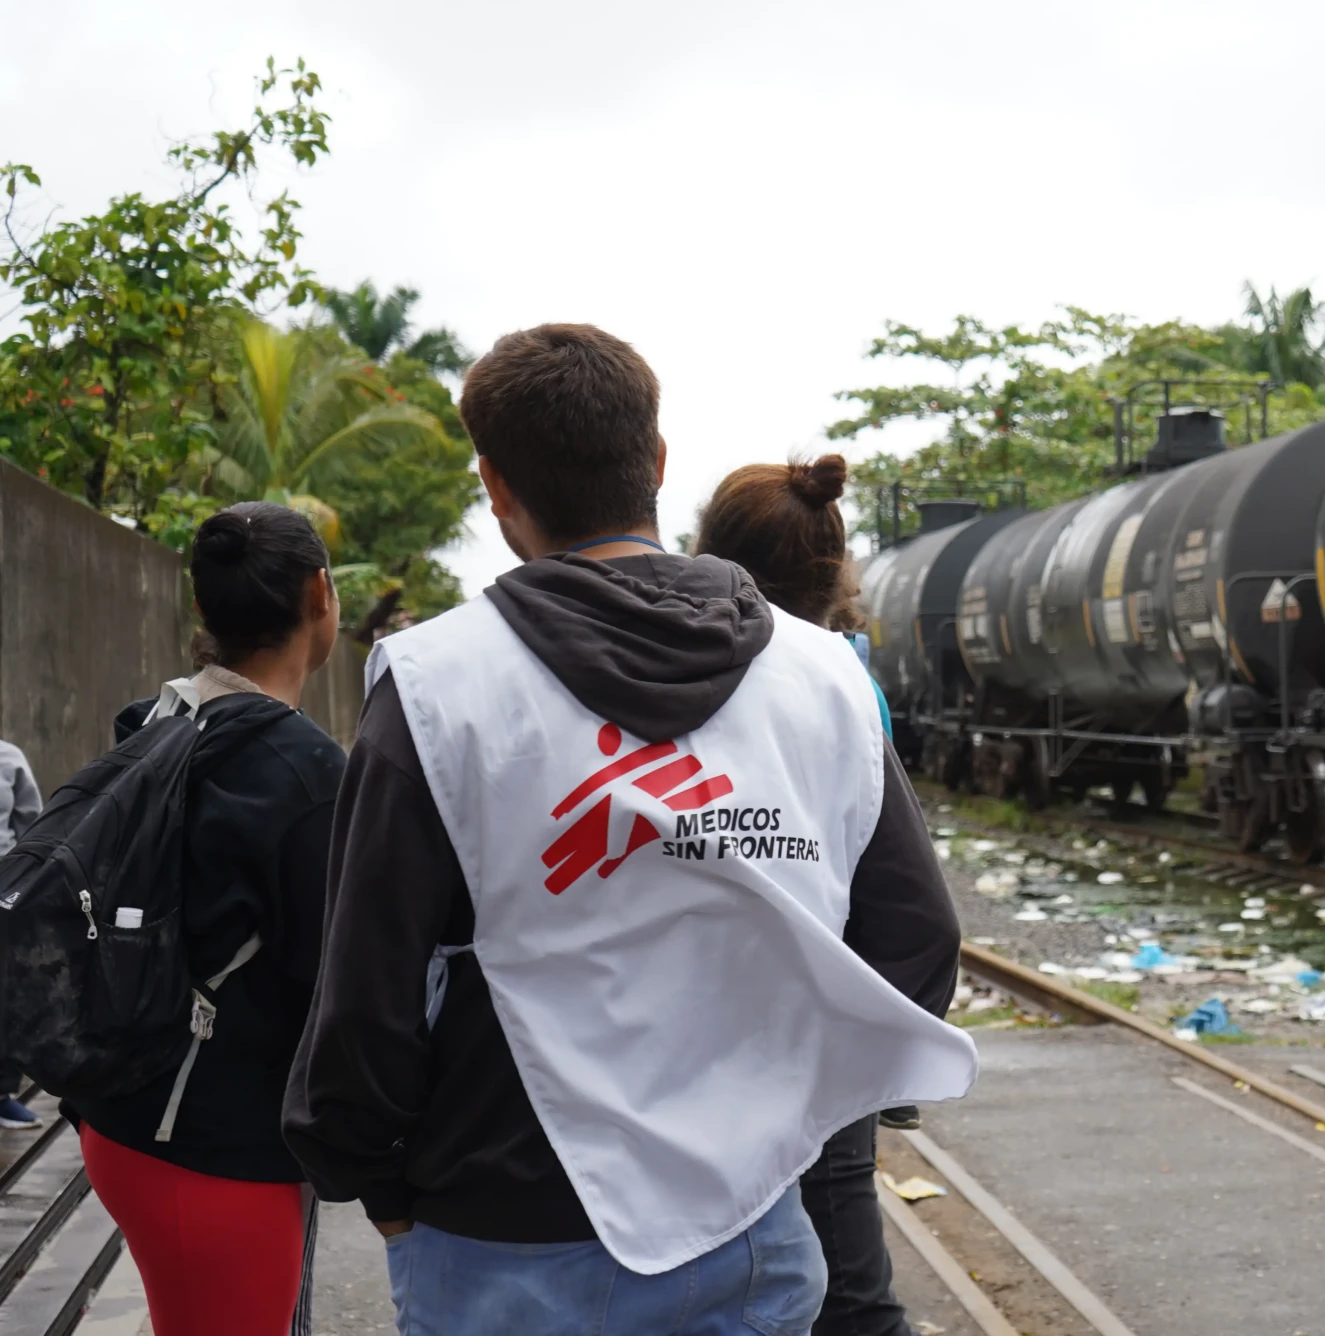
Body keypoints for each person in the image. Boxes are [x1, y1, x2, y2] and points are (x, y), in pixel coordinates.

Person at [283, 324, 976, 1336]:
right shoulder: (824, 678)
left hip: (501, 1237)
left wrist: (375, 1184)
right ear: (656, 463)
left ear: (496, 488)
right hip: (754, 1235)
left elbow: (367, 990)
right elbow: (915, 953)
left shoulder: (438, 685)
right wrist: (769, 1121)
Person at [694, 455, 959, 1336]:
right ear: (835, 568)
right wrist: (890, 1058)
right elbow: (913, 911)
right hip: (817, 1030)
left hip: (696, 1028)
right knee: (850, 1289)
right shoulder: (848, 682)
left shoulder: (681, 670)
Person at [70, 502, 345, 1336]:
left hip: (120, 1119)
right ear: (320, 596)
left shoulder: (151, 725)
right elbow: (332, 984)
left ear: (205, 611)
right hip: (219, 1155)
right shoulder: (308, 777)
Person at [0, 735, 43, 1130]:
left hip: (2, 890)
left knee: (7, 992)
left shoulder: (9, 757)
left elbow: (32, 824)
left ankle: (1, 1093)